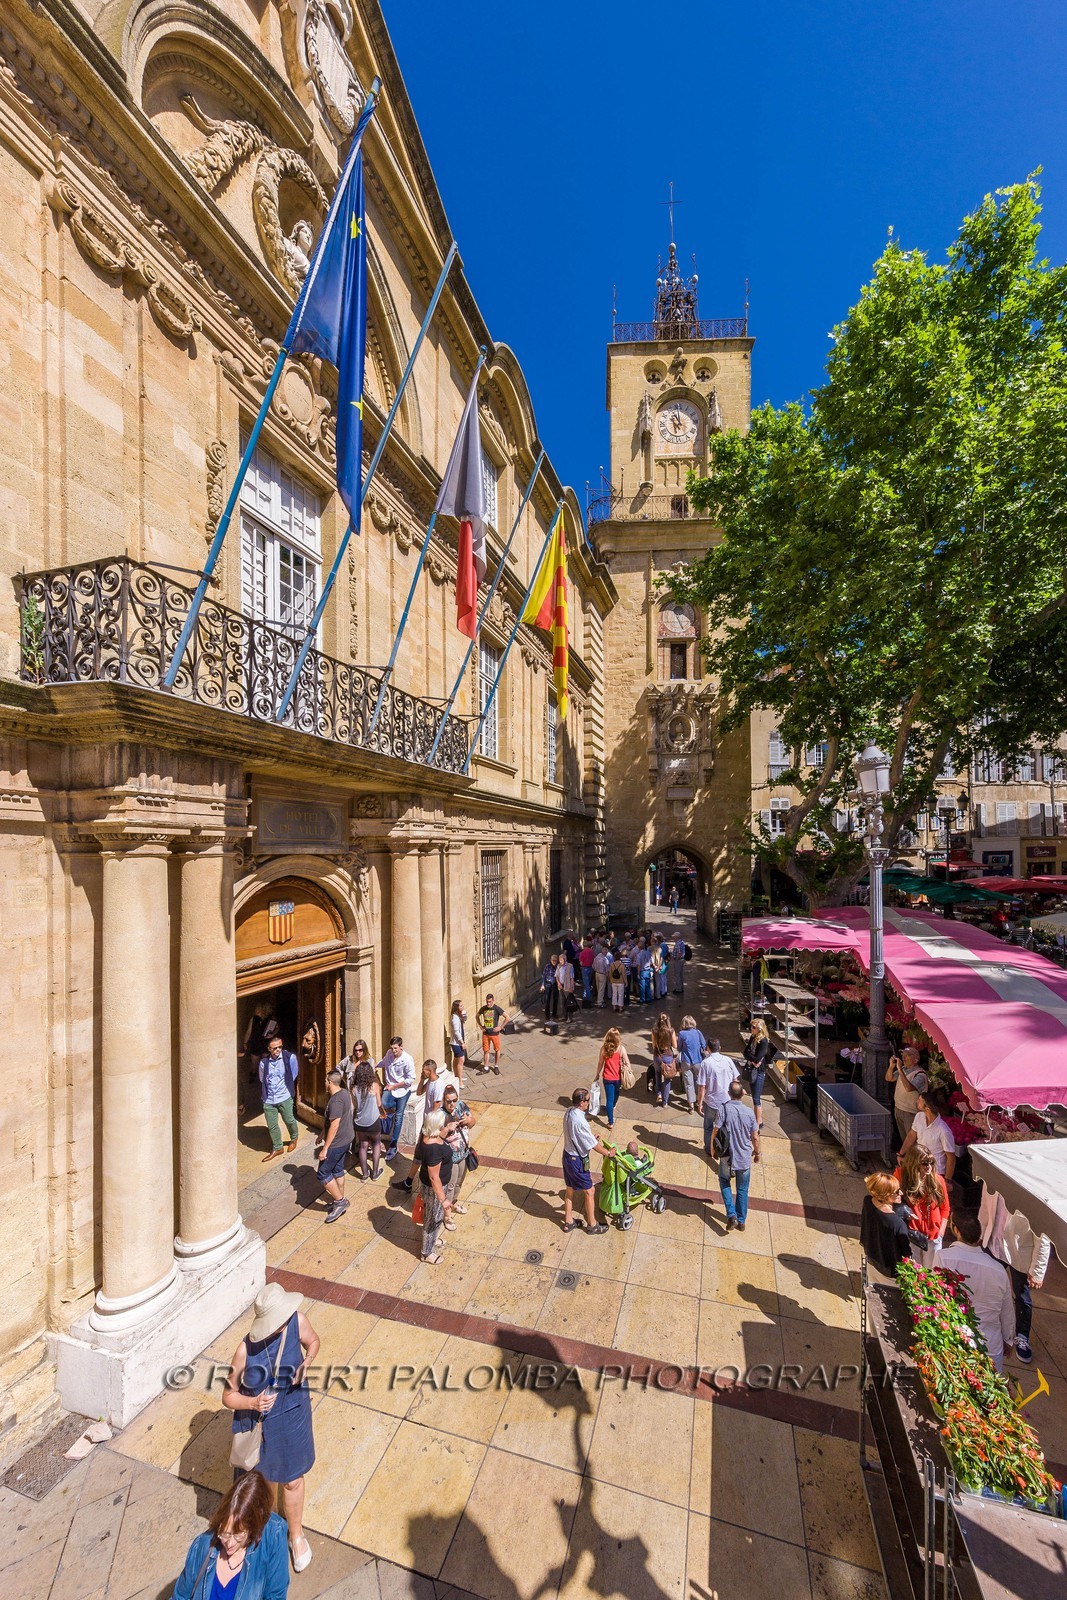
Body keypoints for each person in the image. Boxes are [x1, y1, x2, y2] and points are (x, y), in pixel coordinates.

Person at [223, 1282, 318, 1573]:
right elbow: (228, 1395)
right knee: (264, 1483)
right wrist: (253, 1404)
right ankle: (266, 1534)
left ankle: (296, 1534)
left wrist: (307, 1363)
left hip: (293, 1415)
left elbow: (313, 1342)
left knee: (292, 1479)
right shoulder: (243, 1351)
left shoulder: (297, 1322)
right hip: (261, 1426)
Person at [172, 1470, 289, 1600]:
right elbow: (180, 1596)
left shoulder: (274, 1534)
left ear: (253, 1529)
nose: (230, 1543)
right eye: (225, 1534)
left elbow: (276, 1595)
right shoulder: (202, 1545)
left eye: (239, 1536)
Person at [979, 1188, 1051, 1365]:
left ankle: (1022, 1337)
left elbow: (1043, 1237)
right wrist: (981, 1234)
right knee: (987, 1287)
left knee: (1022, 1296)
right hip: (994, 1246)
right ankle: (984, 1325)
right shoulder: (992, 1184)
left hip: (1020, 1255)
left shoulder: (1033, 1195)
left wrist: (1037, 1271)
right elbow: (984, 1209)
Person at [939, 1209, 1015, 1371]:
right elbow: (1007, 1309)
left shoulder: (943, 1257)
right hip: (990, 1344)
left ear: (955, 1230)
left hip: (956, 1340)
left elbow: (938, 1299)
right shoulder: (999, 1269)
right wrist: (1008, 1339)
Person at [860, 1172, 929, 1278]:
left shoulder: (868, 1201)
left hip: (872, 1259)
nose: (901, 1193)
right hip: (890, 1272)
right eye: (896, 1192)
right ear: (885, 1195)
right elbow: (906, 1253)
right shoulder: (897, 1223)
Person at [713, 1080, 760, 1231]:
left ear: (729, 1093)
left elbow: (715, 1130)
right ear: (742, 1094)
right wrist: (757, 1152)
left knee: (724, 1180)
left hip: (727, 1157)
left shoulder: (723, 1109)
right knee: (742, 1189)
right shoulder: (749, 1113)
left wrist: (712, 1148)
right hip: (744, 1157)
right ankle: (741, 1221)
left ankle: (731, 1215)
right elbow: (755, 1137)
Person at [562, 1087, 609, 1234]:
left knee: (570, 1189)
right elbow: (594, 1146)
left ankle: (568, 1222)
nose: (589, 1103)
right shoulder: (581, 1121)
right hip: (577, 1161)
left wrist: (589, 1138)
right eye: (588, 1100)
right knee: (589, 1191)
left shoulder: (569, 1111)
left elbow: (578, 1136)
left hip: (567, 1156)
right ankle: (592, 1225)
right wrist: (608, 1153)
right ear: (582, 1102)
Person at [895, 1145, 950, 1265]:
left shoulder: (938, 1180)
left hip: (933, 1237)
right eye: (925, 1163)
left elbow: (945, 1208)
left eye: (931, 1163)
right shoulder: (901, 1176)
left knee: (930, 1274)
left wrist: (941, 1232)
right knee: (913, 1272)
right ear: (915, 1164)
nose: (929, 1166)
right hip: (912, 1235)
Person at [315, 1067, 353, 1223]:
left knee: (323, 1173)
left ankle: (340, 1202)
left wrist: (325, 1148)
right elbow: (333, 1121)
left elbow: (335, 1125)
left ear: (330, 1082)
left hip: (337, 1143)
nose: (324, 1082)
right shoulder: (345, 1093)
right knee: (337, 1169)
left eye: (325, 1080)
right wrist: (322, 1133)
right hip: (346, 1139)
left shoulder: (336, 1100)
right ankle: (341, 1199)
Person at [415, 1107, 453, 1264]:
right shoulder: (433, 1149)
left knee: (430, 1215)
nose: (445, 1126)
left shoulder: (427, 1137)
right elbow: (434, 1177)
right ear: (438, 1127)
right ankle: (426, 1252)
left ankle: (431, 1240)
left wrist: (448, 1129)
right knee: (434, 1218)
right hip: (434, 1188)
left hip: (426, 1185)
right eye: (444, 1124)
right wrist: (443, 1200)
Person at [898, 1090, 957, 1182]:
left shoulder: (943, 1130)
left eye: (920, 1100)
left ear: (927, 1108)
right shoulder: (919, 1116)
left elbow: (951, 1157)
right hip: (919, 1165)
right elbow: (912, 1135)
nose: (916, 1101)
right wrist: (901, 1153)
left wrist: (947, 1180)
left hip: (934, 1172)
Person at [257, 1036, 300, 1164]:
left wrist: (285, 1088)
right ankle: (277, 1147)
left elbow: (293, 1074)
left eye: (280, 1047)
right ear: (269, 1049)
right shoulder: (264, 1063)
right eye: (275, 1048)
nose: (278, 1050)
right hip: (269, 1098)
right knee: (272, 1125)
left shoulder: (290, 1058)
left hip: (284, 1096)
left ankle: (294, 1138)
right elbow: (262, 1079)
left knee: (289, 1119)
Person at [441, 1082, 477, 1219]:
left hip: (463, 1153)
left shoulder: (462, 1106)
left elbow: (473, 1122)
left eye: (454, 1100)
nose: (452, 1104)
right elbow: (434, 1138)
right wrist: (447, 1129)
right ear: (444, 1100)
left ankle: (454, 1203)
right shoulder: (439, 1115)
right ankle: (447, 1215)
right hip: (450, 1158)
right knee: (450, 1186)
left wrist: (468, 1120)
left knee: (459, 1182)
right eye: (449, 1101)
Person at [696, 1038, 737, 1156]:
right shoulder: (728, 1060)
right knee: (725, 1127)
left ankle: (710, 1149)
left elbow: (702, 1087)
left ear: (708, 1048)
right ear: (719, 1048)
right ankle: (724, 1148)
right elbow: (735, 1080)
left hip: (711, 1102)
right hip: (727, 1102)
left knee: (709, 1126)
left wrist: (699, 1103)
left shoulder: (706, 1063)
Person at [378, 1036, 417, 1161]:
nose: (393, 1051)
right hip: (390, 1088)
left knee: (399, 1117)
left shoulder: (407, 1059)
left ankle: (393, 1145)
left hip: (401, 1090)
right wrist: (372, 1065)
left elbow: (411, 1079)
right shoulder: (389, 1054)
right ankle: (393, 1112)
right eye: (392, 1048)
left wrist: (395, 1086)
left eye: (395, 1048)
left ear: (401, 1047)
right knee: (383, 1104)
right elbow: (384, 1062)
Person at [351, 1057, 383, 1182]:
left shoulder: (353, 1089)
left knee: (363, 1146)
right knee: (376, 1144)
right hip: (373, 1121)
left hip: (359, 1122)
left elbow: (354, 1106)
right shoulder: (374, 1086)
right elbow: (379, 1104)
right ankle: (375, 1173)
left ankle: (364, 1174)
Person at [885, 1048, 928, 1143]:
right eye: (903, 1055)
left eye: (907, 1055)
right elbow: (889, 1078)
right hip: (898, 1109)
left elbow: (909, 1088)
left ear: (915, 1060)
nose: (903, 1057)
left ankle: (912, 1157)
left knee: (911, 1141)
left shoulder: (920, 1075)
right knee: (904, 1139)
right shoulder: (904, 1069)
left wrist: (899, 1069)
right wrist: (892, 1066)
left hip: (910, 1113)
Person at [742, 1018, 775, 1129]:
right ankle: (757, 1120)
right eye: (751, 1027)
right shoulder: (753, 1037)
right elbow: (745, 1052)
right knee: (754, 1096)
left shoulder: (764, 1041)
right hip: (752, 1070)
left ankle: (758, 1122)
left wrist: (751, 1058)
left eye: (754, 1027)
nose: (751, 1029)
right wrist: (752, 1058)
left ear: (760, 1029)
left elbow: (757, 1059)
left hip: (759, 1071)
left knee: (756, 1098)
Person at [594, 1026, 630, 1130]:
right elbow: (627, 1062)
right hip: (618, 1078)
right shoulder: (621, 1048)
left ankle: (610, 1122)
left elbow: (600, 1063)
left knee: (609, 1099)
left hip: (607, 1078)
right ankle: (613, 1106)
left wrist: (597, 1074)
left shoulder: (604, 1048)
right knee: (617, 1093)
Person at [676, 1014, 707, 1115]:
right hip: (698, 1060)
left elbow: (679, 1047)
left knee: (689, 1083)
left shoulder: (681, 1034)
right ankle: (700, 1102)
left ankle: (691, 1106)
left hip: (686, 1061)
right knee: (700, 1082)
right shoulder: (698, 1032)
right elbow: (704, 1045)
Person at [650, 1013, 679, 1109]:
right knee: (667, 1079)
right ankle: (665, 1102)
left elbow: (654, 1046)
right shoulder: (671, 1031)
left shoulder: (654, 1031)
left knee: (657, 1074)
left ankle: (659, 1094)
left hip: (657, 1056)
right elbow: (675, 1045)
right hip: (668, 1057)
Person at [477, 994, 508, 1071]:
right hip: (486, 1034)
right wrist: (481, 1026)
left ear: (493, 1001)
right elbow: (476, 1016)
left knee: (497, 1050)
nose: (488, 1004)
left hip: (495, 1034)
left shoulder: (497, 1008)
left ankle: (496, 1066)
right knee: (486, 1050)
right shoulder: (483, 1009)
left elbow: (507, 1017)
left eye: (490, 1002)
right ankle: (486, 1067)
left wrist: (501, 1027)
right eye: (487, 1002)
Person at [449, 1000, 467, 1088]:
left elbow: (465, 1020)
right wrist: (462, 1042)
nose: (462, 1007)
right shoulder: (455, 1018)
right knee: (461, 1060)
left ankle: (457, 1076)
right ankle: (459, 1081)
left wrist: (464, 1014)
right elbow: (456, 1032)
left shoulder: (458, 1016)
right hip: (457, 1043)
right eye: (460, 1006)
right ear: (456, 1007)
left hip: (458, 1042)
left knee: (457, 1060)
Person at [541, 955, 560, 1019]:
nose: (554, 961)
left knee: (556, 999)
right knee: (547, 1000)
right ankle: (547, 1014)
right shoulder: (547, 966)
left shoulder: (558, 966)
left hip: (555, 984)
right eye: (553, 960)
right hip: (548, 984)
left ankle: (554, 1014)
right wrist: (542, 985)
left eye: (555, 960)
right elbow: (543, 976)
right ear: (550, 960)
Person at [578, 938, 596, 1005]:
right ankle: (585, 996)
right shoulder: (591, 951)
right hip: (591, 968)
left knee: (586, 984)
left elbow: (581, 963)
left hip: (585, 968)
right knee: (588, 983)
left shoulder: (582, 953)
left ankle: (589, 998)